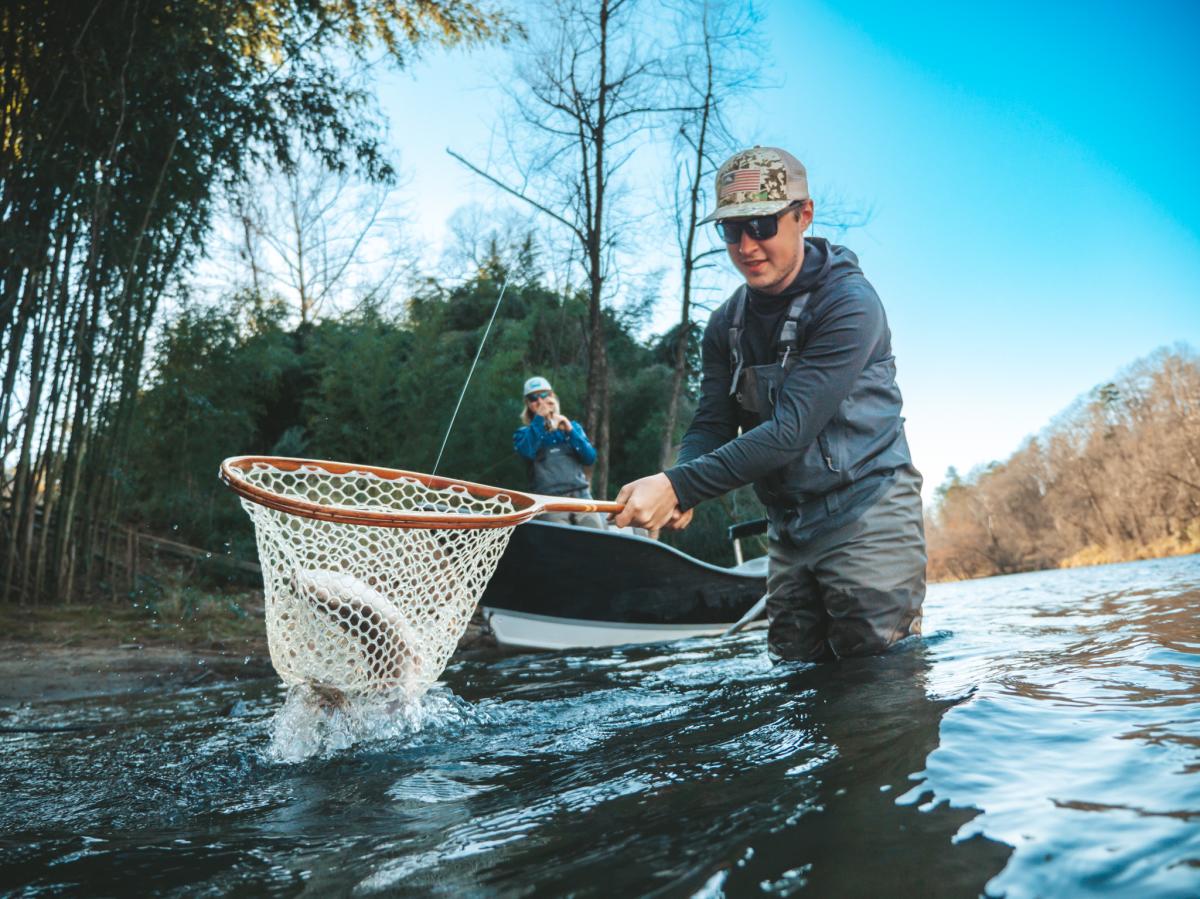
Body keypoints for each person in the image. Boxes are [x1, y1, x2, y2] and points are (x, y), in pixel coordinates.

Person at [612, 146, 926, 662]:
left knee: (878, 681)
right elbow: (713, 421)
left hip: (868, 513)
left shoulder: (849, 304)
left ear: (803, 215)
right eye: (730, 230)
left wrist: (677, 485)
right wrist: (683, 484)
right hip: (788, 529)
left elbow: (790, 430)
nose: (746, 246)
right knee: (795, 675)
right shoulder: (724, 326)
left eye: (760, 223)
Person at [513, 376, 605, 528]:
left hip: (582, 497)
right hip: (548, 502)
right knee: (560, 543)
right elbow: (526, 452)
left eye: (544, 395)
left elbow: (590, 458)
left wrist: (570, 430)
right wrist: (539, 419)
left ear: (553, 397)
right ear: (528, 404)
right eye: (534, 398)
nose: (540, 401)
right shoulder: (523, 434)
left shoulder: (572, 427)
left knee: (597, 537)